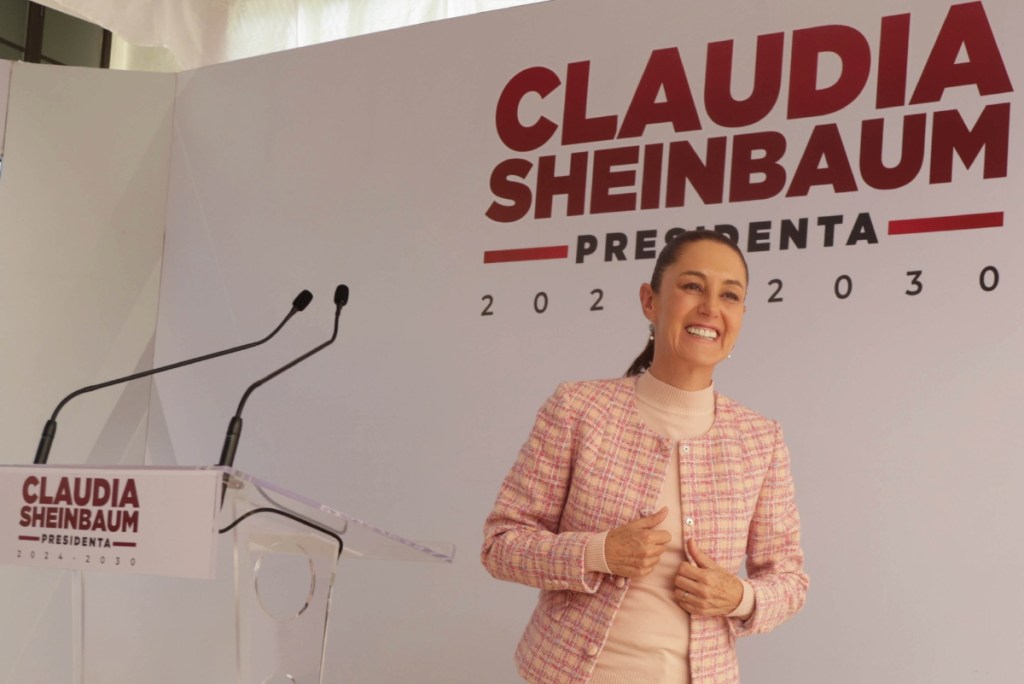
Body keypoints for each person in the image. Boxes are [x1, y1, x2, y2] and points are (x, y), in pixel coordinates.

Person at [481, 230, 808, 684]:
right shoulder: (578, 408)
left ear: (741, 316)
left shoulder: (761, 440)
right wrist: (599, 552)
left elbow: (788, 580)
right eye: (692, 286)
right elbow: (501, 545)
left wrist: (738, 597)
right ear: (650, 302)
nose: (710, 307)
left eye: (729, 295)